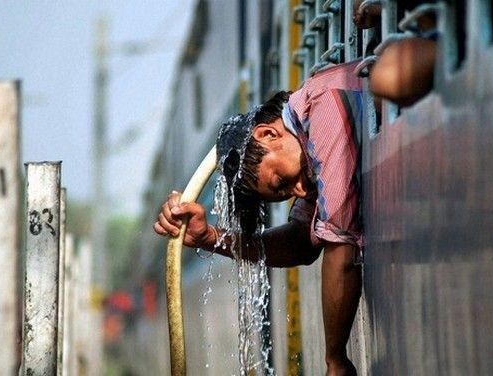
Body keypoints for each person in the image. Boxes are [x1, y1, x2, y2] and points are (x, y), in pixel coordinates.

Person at [154, 60, 364, 376]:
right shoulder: (303, 142)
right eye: (285, 191)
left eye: (283, 181)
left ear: (267, 134)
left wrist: (335, 359)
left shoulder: (321, 105)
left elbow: (340, 243)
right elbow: (301, 244)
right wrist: (210, 238)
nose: (300, 189)